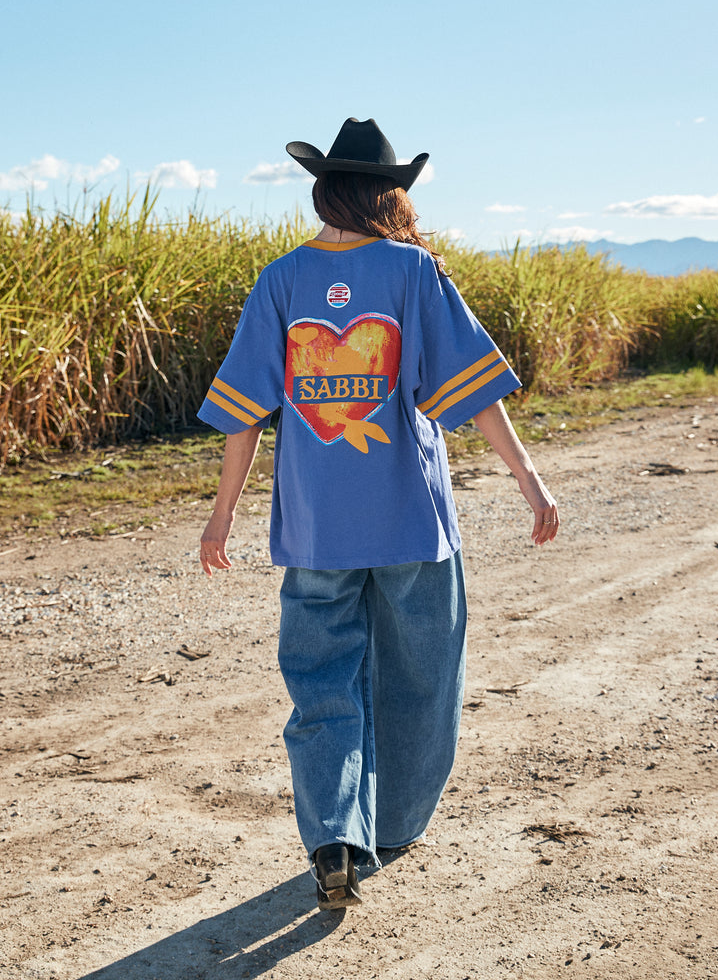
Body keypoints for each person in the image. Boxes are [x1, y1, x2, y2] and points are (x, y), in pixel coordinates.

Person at [198, 117, 558, 910]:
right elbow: (474, 393)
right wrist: (529, 479)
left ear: (325, 188)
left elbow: (243, 414)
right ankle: (390, 828)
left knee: (322, 683)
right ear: (388, 193)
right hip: (412, 527)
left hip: (317, 530)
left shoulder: (281, 281)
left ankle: (333, 835)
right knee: (423, 677)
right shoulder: (412, 272)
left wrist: (221, 518)